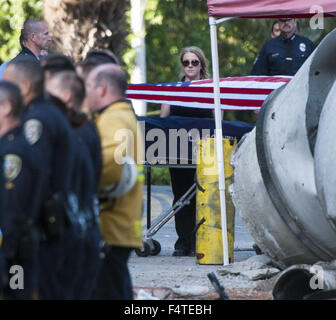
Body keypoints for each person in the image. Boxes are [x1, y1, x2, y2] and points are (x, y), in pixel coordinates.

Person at [2, 58, 76, 299]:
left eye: (7, 83)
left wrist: (8, 256)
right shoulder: (42, 115)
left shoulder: (34, 123)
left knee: (18, 293)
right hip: (36, 235)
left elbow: (19, 199)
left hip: (28, 242)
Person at [85, 63, 144, 300]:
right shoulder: (121, 116)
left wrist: (80, 184)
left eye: (88, 86)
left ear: (101, 89)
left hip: (111, 226)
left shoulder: (113, 119)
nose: (85, 93)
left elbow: (111, 166)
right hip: (120, 225)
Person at [45, 71, 103, 299]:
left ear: (66, 96)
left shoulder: (68, 135)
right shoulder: (87, 129)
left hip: (68, 234)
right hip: (84, 230)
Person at [160, 46, 213, 256]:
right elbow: (163, 119)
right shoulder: (173, 89)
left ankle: (201, 240)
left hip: (204, 148)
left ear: (201, 64)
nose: (190, 66)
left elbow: (218, 119)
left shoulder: (211, 88)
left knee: (205, 194)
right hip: (178, 147)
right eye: (186, 62)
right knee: (180, 195)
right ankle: (183, 241)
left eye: (194, 62)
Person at [0, 81, 45, 299]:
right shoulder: (17, 145)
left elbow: (13, 212)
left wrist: (6, 260)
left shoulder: (13, 153)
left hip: (16, 254)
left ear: (6, 108)